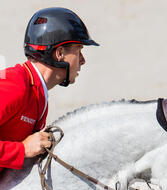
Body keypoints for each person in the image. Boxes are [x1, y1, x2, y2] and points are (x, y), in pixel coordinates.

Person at [0, 7, 99, 173]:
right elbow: (23, 149)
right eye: (79, 51)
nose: (83, 61)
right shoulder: (16, 84)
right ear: (59, 53)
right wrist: (22, 150)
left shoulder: (38, 93)